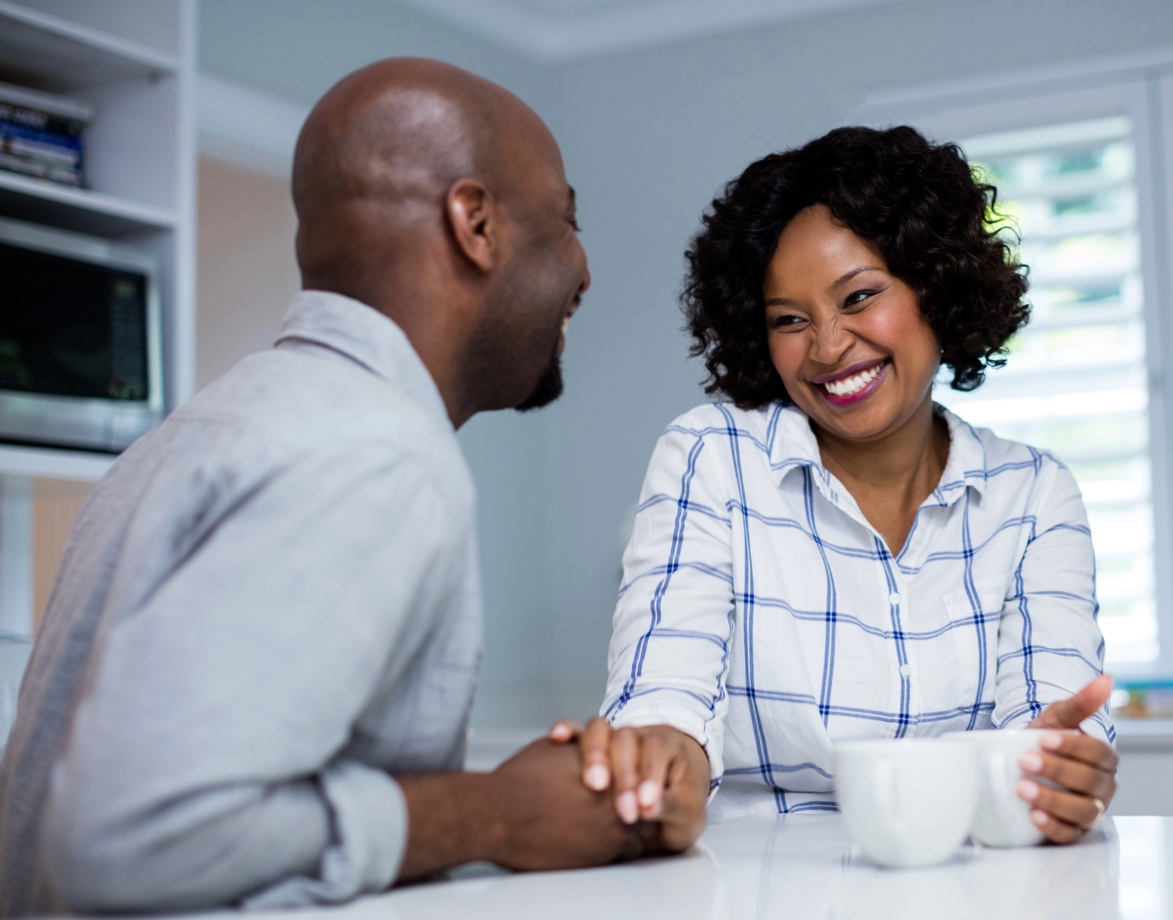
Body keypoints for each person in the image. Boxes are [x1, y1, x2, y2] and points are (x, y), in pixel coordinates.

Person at [0, 58, 703, 915]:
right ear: (474, 223)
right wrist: (495, 817)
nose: (583, 269)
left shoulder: (183, 438)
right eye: (567, 220)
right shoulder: (372, 450)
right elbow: (126, 834)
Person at [557, 125, 1118, 838]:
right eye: (789, 319)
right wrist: (657, 766)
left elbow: (1052, 729)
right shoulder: (711, 457)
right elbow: (662, 695)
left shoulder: (1033, 493)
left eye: (857, 298)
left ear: (935, 285)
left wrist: (1062, 773)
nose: (826, 346)